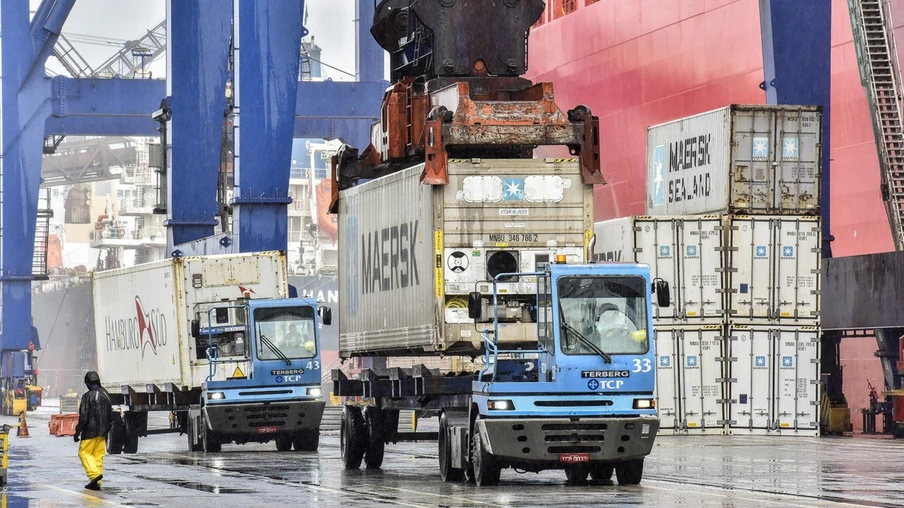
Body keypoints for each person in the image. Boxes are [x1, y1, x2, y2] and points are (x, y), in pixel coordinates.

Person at [74, 371, 113, 491]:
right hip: (103, 433)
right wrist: (106, 430)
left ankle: (94, 475)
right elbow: (111, 416)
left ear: (88, 383)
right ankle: (96, 482)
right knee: (98, 456)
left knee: (84, 453)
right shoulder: (106, 395)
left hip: (90, 432)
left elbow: (84, 417)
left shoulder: (87, 396)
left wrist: (77, 432)